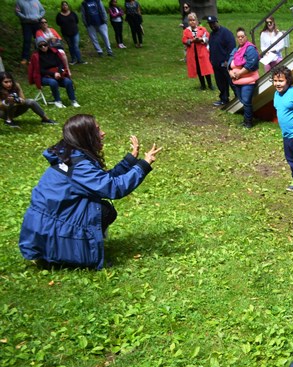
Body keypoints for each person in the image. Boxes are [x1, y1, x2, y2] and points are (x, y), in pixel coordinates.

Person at [19, 114, 161, 270]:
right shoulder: (77, 165)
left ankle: (62, 251)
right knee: (104, 211)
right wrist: (144, 165)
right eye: (98, 130)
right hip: (49, 228)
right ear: (86, 136)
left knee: (101, 209)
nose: (103, 134)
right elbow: (114, 188)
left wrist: (130, 161)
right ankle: (66, 256)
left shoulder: (70, 155)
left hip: (44, 225)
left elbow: (101, 181)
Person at [272, 65, 293, 190]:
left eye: (281, 81)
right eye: (275, 81)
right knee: (290, 158)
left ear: (288, 80)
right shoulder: (276, 94)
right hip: (285, 134)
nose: (278, 84)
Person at [28, 37, 80, 109]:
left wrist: (58, 72)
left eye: (45, 45)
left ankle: (73, 100)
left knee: (68, 82)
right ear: (38, 47)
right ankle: (57, 101)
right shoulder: (36, 56)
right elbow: (39, 70)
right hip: (44, 76)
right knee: (53, 82)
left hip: (57, 73)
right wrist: (53, 74)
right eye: (40, 46)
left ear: (47, 44)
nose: (43, 47)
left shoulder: (54, 52)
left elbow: (60, 63)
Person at [228, 28, 259, 128]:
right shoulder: (236, 49)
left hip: (248, 81)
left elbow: (251, 63)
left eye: (242, 36)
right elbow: (229, 63)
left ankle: (249, 122)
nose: (240, 39)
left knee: (246, 101)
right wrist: (230, 72)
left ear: (246, 37)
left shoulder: (250, 49)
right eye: (238, 37)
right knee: (242, 100)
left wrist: (239, 73)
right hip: (237, 81)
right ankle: (246, 120)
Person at [206, 15, 235, 106]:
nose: (212, 26)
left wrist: (228, 60)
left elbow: (231, 47)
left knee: (232, 82)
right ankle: (224, 98)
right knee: (220, 82)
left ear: (217, 22)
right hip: (216, 63)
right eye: (210, 24)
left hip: (225, 63)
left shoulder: (226, 33)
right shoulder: (212, 34)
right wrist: (211, 59)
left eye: (213, 23)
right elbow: (211, 47)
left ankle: (239, 97)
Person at [182, 13, 214, 91]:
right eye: (190, 20)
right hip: (193, 53)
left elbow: (208, 37)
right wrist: (192, 40)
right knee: (198, 69)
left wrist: (201, 39)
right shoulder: (186, 31)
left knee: (205, 68)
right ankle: (203, 85)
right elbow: (184, 40)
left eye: (193, 20)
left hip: (202, 51)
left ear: (196, 21)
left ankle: (210, 84)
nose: (192, 22)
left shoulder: (202, 29)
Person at [15, 0, 45, 64]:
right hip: (26, 24)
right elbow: (17, 12)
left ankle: (40, 55)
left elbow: (42, 10)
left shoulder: (36, 1)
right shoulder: (19, 1)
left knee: (38, 39)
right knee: (27, 40)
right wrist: (25, 17)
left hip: (36, 23)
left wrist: (39, 17)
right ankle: (25, 58)